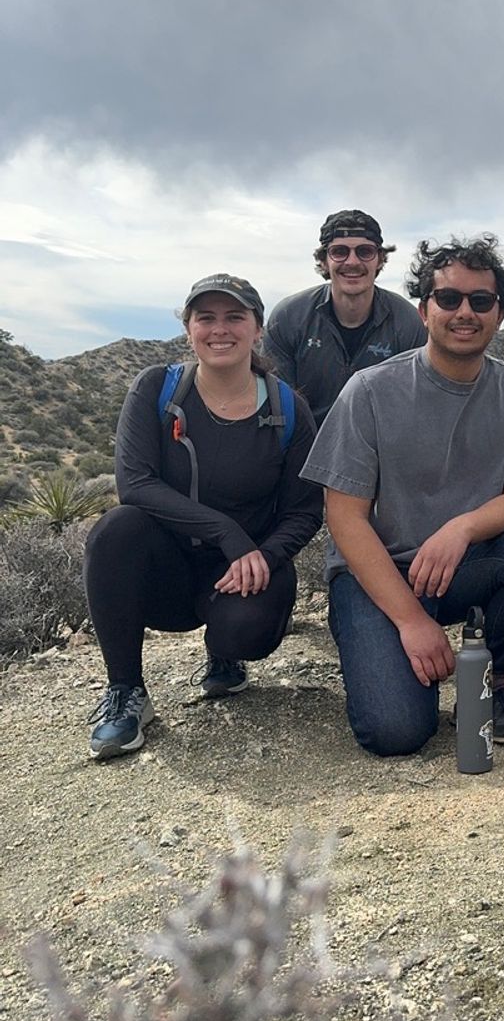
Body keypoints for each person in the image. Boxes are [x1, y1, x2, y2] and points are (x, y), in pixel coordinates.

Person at [301, 235, 504, 755]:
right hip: (377, 573)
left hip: (463, 565)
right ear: (424, 310)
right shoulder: (370, 390)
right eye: (448, 299)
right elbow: (344, 518)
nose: (464, 312)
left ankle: (489, 685)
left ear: (500, 313)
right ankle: (396, 653)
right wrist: (411, 620)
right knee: (396, 733)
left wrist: (460, 528)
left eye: (481, 300)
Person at [84, 275, 323, 761]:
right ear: (188, 327)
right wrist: (227, 532)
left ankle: (226, 654)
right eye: (205, 317)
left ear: (257, 330)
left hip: (245, 571)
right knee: (114, 530)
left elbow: (304, 511)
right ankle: (126, 692)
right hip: (168, 569)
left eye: (235, 317)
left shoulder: (287, 410)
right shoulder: (157, 389)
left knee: (245, 630)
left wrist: (263, 555)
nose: (220, 330)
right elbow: (135, 484)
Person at [265, 209, 426, 425]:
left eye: (365, 251)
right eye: (340, 251)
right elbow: (279, 407)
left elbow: (412, 405)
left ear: (379, 260)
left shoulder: (406, 322)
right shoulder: (288, 318)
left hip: (380, 449)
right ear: (324, 261)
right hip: (304, 447)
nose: (352, 261)